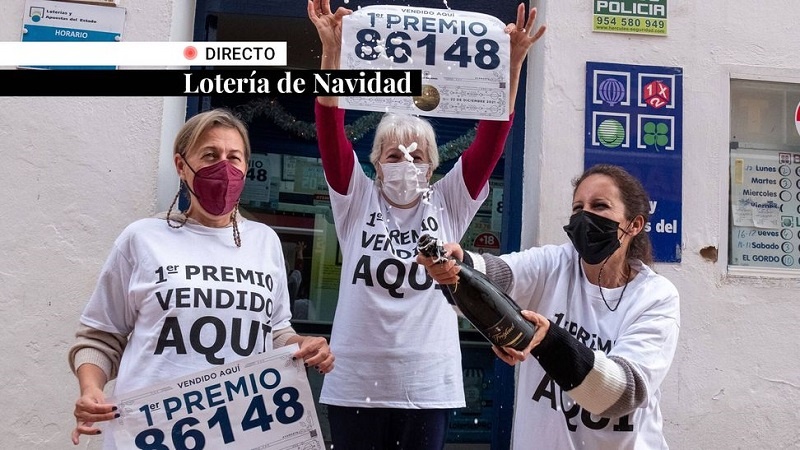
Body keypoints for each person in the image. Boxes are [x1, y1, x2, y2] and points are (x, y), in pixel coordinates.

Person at [307, 0, 545, 448]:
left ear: (435, 166)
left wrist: (512, 65)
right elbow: (330, 128)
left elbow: (492, 138)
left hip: (427, 384)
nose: (407, 163)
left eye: (418, 156)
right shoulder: (355, 198)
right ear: (376, 164)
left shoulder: (450, 201)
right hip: (355, 382)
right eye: (394, 155)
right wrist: (332, 54)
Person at [68, 108, 335, 448]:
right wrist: (91, 390)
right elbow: (100, 336)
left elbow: (274, 333)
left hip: (239, 431)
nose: (223, 167)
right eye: (210, 155)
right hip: (147, 434)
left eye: (234, 157)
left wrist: (304, 346)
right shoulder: (142, 238)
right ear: (181, 166)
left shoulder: (265, 241)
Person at [418, 164, 681, 449]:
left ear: (634, 224)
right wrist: (459, 268)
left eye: (600, 205)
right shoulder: (555, 264)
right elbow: (499, 276)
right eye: (578, 207)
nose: (585, 216)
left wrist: (547, 342)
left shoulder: (656, 297)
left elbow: (620, 394)